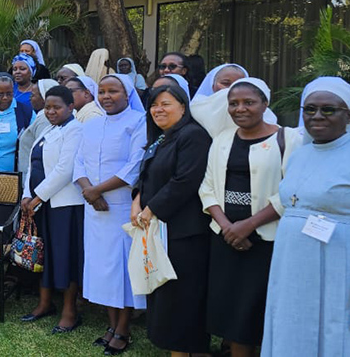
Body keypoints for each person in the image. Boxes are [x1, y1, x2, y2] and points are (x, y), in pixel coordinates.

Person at [196, 78, 299, 356]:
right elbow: (207, 188)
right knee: (234, 312)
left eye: (249, 102)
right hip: (225, 238)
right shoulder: (221, 140)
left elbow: (293, 191)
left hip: (267, 240)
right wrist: (228, 226)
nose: (240, 109)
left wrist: (248, 225)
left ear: (265, 104)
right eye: (233, 103)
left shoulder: (289, 139)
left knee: (260, 309)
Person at [262, 77, 350, 356]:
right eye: (310, 109)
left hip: (338, 260)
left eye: (328, 109)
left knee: (333, 322)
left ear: (347, 114)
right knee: (290, 317)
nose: (317, 116)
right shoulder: (300, 154)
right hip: (290, 262)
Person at [132, 82, 213, 355]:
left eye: (165, 103)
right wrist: (136, 199)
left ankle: (185, 350)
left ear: (183, 106)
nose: (158, 109)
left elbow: (185, 181)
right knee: (165, 296)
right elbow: (148, 174)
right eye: (154, 105)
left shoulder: (193, 136)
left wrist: (151, 208)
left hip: (184, 233)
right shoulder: (162, 137)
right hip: (160, 230)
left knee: (182, 298)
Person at [74, 73, 147, 354]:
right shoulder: (91, 124)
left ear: (127, 94)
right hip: (94, 208)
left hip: (121, 208)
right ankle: (111, 325)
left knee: (122, 271)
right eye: (102, 91)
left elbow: (135, 165)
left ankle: (124, 328)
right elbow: (78, 161)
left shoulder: (138, 123)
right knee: (101, 269)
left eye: (113, 91)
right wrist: (89, 191)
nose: (106, 96)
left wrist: (98, 190)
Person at [20, 86, 85, 333]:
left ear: (70, 107)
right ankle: (44, 303)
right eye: (47, 107)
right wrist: (27, 194)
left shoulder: (75, 130)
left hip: (63, 205)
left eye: (57, 107)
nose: (51, 111)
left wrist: (37, 198)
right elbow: (32, 164)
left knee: (65, 255)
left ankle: (70, 311)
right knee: (43, 253)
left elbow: (65, 170)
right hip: (40, 204)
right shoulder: (48, 129)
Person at [191, 63, 279, 139]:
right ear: (212, 85)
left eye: (240, 84)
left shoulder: (274, 126)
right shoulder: (197, 107)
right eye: (226, 83)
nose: (233, 89)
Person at [17, 79, 58, 178]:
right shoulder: (39, 116)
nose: (30, 98)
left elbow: (41, 151)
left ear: (44, 97)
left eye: (33, 95)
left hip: (35, 177)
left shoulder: (45, 119)